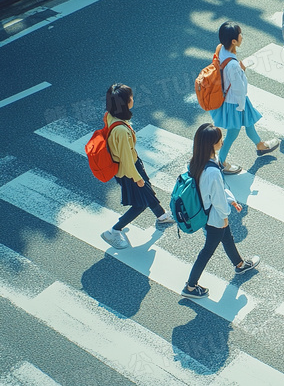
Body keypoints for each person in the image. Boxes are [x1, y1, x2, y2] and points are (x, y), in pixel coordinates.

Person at [181, 123, 260, 299]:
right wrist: (225, 216)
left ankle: (240, 264)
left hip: (206, 211)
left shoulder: (196, 161)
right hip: (214, 216)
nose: (222, 142)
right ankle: (191, 287)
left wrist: (231, 201)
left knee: (227, 238)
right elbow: (217, 198)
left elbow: (216, 190)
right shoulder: (212, 172)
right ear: (211, 144)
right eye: (219, 140)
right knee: (208, 250)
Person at [100, 84, 174, 249]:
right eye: (130, 97)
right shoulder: (121, 130)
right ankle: (113, 231)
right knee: (140, 203)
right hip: (128, 170)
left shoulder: (110, 116)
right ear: (125, 103)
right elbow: (126, 161)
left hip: (129, 166)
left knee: (147, 191)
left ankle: (161, 215)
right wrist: (138, 178)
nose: (133, 99)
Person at [209, 21, 280, 175]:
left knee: (248, 123)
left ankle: (260, 145)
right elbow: (239, 89)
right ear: (233, 41)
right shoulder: (233, 65)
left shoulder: (221, 49)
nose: (242, 37)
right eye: (240, 35)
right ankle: (221, 162)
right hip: (235, 102)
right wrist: (241, 106)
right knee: (233, 133)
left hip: (231, 99)